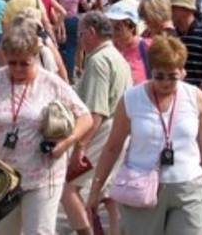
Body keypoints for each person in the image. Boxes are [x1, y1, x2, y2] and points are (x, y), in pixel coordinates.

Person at [86, 35, 202, 233]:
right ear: (151, 70)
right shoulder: (131, 99)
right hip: (141, 187)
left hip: (188, 186)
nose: (166, 83)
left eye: (172, 77)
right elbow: (112, 148)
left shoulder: (196, 97)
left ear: (182, 72)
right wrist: (95, 190)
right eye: (159, 76)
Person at [0, 24, 92, 235]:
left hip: (42, 175)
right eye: (12, 63)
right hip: (2, 177)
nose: (18, 69)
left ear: (35, 57)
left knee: (39, 232)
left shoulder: (51, 83)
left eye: (24, 64)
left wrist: (67, 142)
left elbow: (85, 116)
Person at [62, 12, 132, 235]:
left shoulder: (98, 60)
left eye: (81, 34)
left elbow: (96, 111)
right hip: (120, 130)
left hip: (102, 130)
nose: (79, 39)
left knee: (67, 188)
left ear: (91, 33)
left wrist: (80, 148)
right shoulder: (117, 57)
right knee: (108, 194)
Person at [107, 1, 150, 84]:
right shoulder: (108, 49)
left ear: (131, 27)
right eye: (109, 26)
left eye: (117, 28)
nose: (112, 31)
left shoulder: (147, 47)